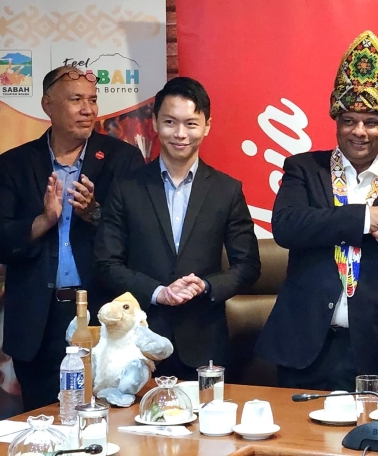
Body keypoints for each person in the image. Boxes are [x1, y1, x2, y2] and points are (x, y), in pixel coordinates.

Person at [253, 31, 378, 396]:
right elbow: (287, 227)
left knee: (370, 446)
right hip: (304, 345)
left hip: (376, 348)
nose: (359, 131)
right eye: (349, 120)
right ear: (336, 121)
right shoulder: (305, 168)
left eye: (371, 122)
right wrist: (365, 219)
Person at [0, 65, 144, 411]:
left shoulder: (121, 159)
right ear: (47, 105)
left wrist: (94, 213)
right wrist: (43, 221)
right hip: (40, 320)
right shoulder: (14, 165)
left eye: (93, 100)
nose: (89, 109)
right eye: (76, 100)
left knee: (107, 419)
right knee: (45, 420)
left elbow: (141, 236)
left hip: (102, 313)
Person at [94, 76, 261, 380]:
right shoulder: (126, 188)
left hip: (205, 344)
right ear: (155, 123)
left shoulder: (226, 190)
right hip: (136, 344)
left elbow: (248, 266)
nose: (180, 134)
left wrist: (207, 286)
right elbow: (106, 263)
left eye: (191, 124)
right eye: (170, 122)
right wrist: (159, 292)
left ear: (207, 125)